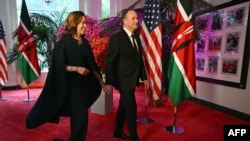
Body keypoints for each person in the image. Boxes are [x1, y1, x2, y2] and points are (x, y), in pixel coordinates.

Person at [26, 11, 107, 141]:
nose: (85, 25)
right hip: (71, 88)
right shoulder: (63, 42)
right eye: (82, 23)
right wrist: (76, 68)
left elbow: (93, 66)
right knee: (81, 118)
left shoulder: (84, 42)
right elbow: (58, 67)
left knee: (79, 118)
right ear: (74, 23)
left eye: (85, 22)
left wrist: (102, 84)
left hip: (84, 87)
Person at [105, 9, 149, 141]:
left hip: (133, 78)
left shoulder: (136, 38)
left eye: (137, 18)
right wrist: (109, 82)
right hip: (122, 79)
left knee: (124, 106)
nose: (137, 21)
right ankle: (135, 137)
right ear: (124, 21)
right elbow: (110, 61)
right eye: (133, 18)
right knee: (131, 107)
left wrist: (144, 77)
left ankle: (117, 131)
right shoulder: (117, 38)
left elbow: (139, 60)